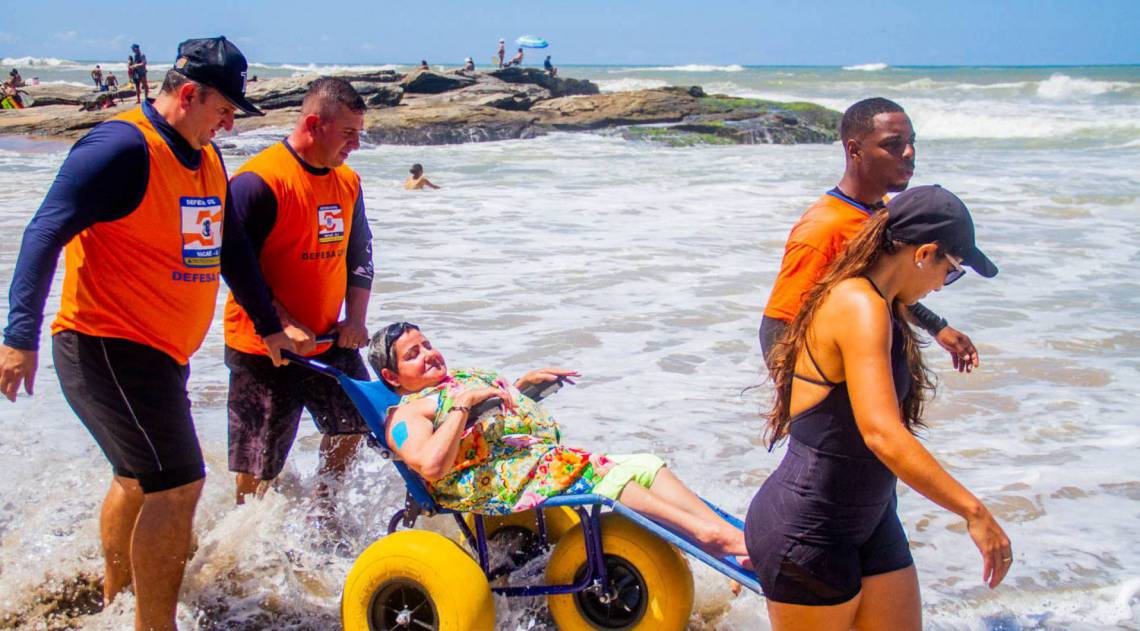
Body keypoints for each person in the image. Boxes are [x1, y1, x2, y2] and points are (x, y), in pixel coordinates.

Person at [0, 37, 263, 631]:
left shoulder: (206, 158)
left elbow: (230, 250)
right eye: (222, 110)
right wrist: (19, 337)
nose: (226, 125)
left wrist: (270, 325)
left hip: (159, 353)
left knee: (139, 478)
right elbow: (43, 232)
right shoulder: (121, 147)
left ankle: (116, 599)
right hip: (105, 344)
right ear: (189, 93)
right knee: (180, 483)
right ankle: (153, 624)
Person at [745, 185, 1012, 629]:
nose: (943, 286)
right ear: (925, 253)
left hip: (869, 518)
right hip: (812, 528)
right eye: (953, 270)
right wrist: (973, 511)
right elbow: (881, 433)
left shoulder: (883, 304)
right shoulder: (859, 305)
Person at [372, 322, 748, 563]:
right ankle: (707, 536)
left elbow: (489, 423)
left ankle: (731, 540)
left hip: (524, 462)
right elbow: (431, 465)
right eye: (413, 354)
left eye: (427, 344)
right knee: (600, 474)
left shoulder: (455, 383)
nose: (429, 354)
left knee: (645, 464)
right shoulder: (407, 415)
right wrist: (461, 408)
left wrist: (522, 388)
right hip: (485, 483)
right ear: (392, 377)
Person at [221, 77, 375, 510]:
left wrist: (356, 320)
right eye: (348, 134)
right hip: (263, 346)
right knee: (259, 467)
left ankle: (323, 512)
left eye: (359, 134)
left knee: (355, 424)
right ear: (313, 124)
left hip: (329, 340)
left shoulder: (348, 181)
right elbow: (236, 266)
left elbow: (359, 253)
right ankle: (242, 545)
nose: (355, 145)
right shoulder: (259, 181)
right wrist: (283, 323)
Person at [760, 98, 979, 374]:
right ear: (855, 151)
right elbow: (776, 327)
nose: (909, 152)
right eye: (893, 145)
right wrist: (803, 405)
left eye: (911, 142)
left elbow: (887, 287)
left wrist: (937, 327)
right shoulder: (825, 227)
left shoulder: (885, 210)